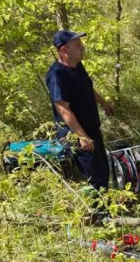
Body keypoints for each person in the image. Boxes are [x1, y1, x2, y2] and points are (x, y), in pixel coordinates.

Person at [46, 30, 114, 190]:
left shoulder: (77, 66)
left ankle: (105, 210)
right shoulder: (57, 74)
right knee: (92, 177)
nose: (82, 48)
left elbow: (88, 88)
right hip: (76, 135)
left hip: (91, 130)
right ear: (64, 50)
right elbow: (63, 109)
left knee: (103, 171)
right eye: (77, 45)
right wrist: (82, 136)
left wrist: (104, 104)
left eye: (81, 44)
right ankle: (95, 213)